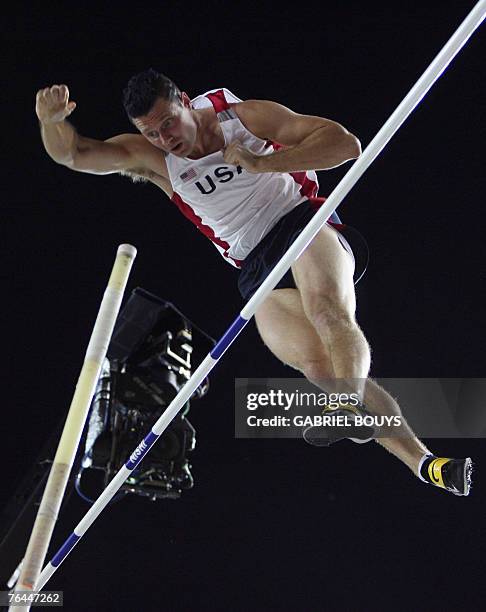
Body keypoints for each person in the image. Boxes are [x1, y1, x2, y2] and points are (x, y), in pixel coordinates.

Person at [35, 69, 472, 496]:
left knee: (326, 312)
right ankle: (426, 465)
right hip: (255, 267)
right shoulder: (153, 159)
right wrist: (52, 123)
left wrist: (265, 162)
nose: (165, 139)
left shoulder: (241, 117)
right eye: (152, 133)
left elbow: (345, 145)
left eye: (169, 123)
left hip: (303, 221)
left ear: (186, 102)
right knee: (318, 368)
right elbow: (73, 154)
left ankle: (347, 404)